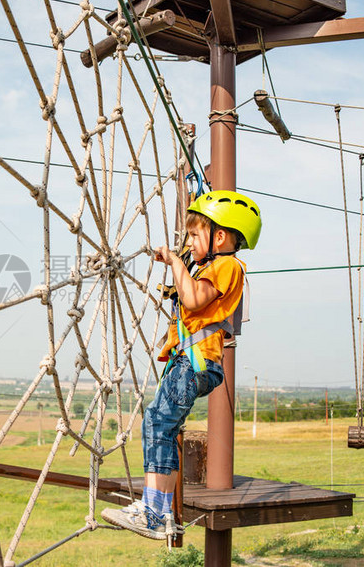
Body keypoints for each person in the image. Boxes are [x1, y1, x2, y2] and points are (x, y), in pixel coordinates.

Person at [101, 190, 262, 540]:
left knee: (158, 423)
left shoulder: (227, 266)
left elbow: (191, 297)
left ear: (219, 236)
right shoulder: (210, 265)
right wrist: (178, 261)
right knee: (159, 426)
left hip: (197, 363)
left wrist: (176, 262)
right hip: (187, 362)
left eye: (194, 234)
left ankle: (154, 513)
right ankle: (155, 508)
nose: (189, 242)